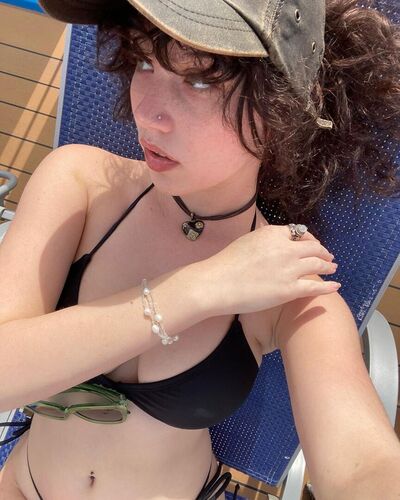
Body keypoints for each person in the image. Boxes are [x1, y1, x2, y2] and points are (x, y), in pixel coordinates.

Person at [0, 0, 399, 498]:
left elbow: (362, 465)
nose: (147, 113)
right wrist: (202, 287)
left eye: (200, 80)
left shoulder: (285, 284)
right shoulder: (81, 183)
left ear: (281, 110)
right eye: (144, 61)